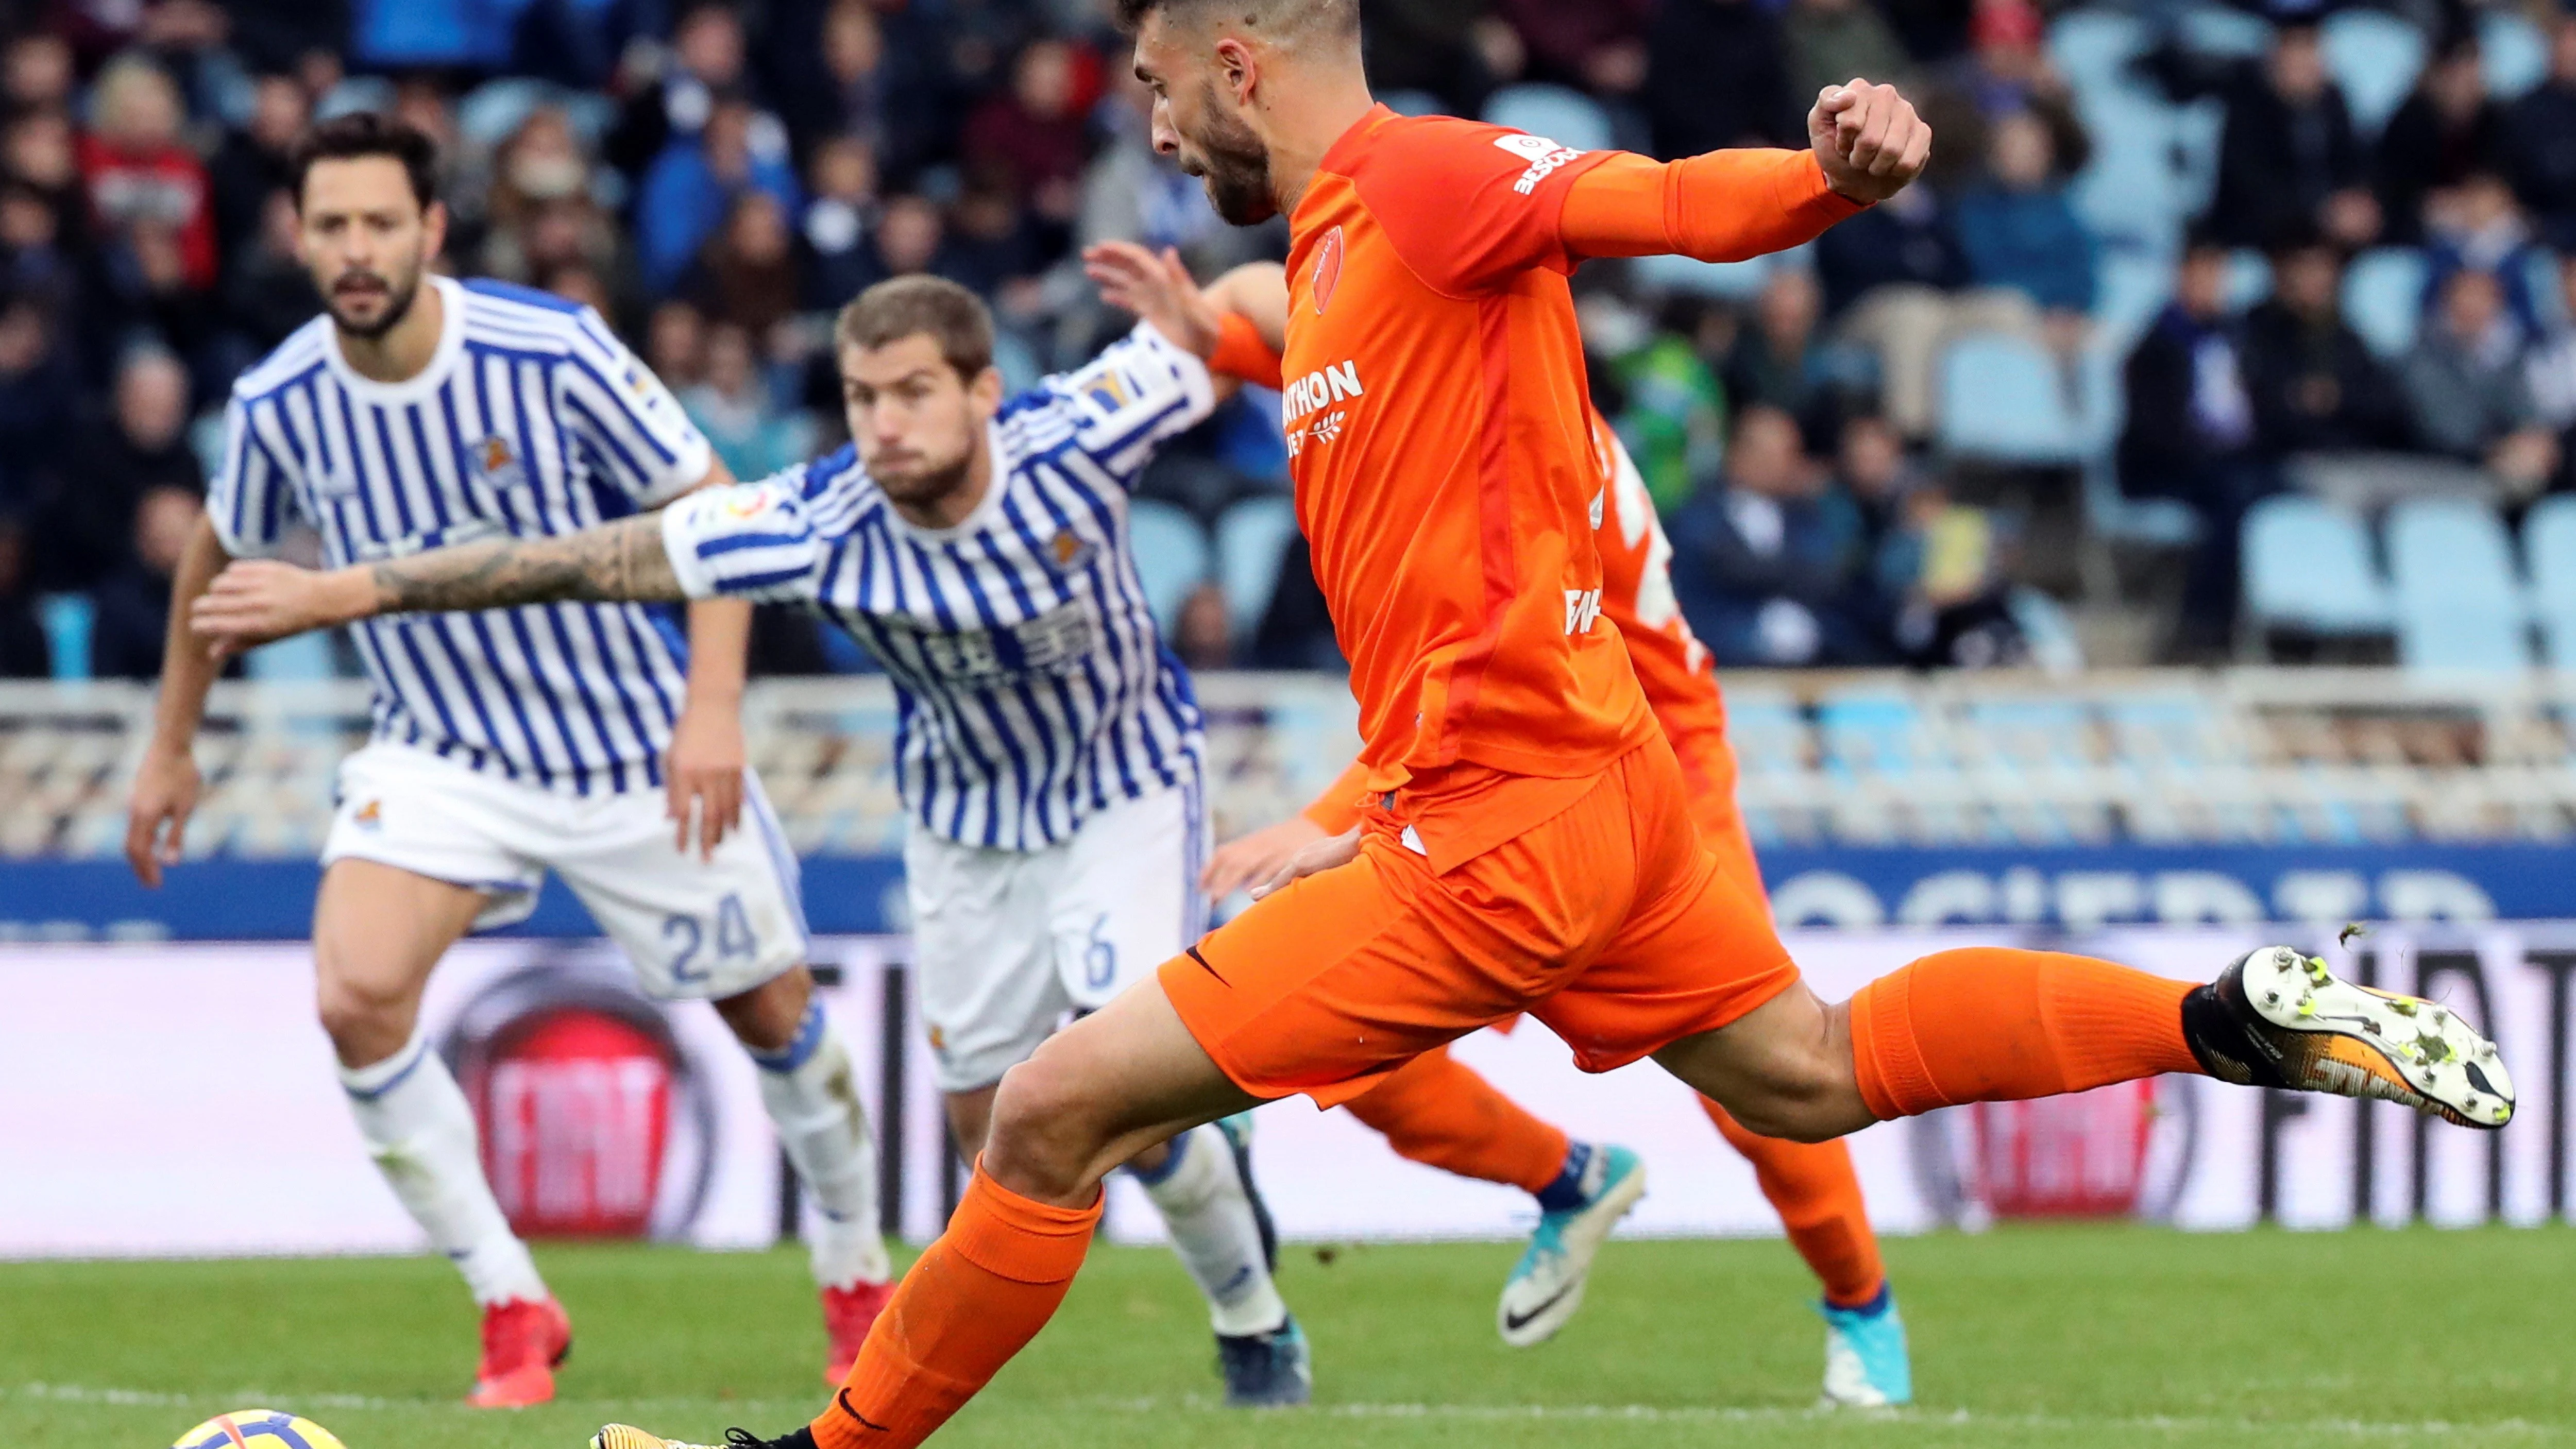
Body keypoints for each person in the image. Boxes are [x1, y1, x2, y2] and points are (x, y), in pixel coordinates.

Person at [193, 13, 2513, 1449]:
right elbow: (651, 555)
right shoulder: (1314, 269)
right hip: (1588, 800)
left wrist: (1835, 180)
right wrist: (367, 589)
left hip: (1505, 813)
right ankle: (2235, 1017)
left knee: (1058, 1100)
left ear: (1233, 66)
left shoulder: (1412, 174)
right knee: (1803, 1068)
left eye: (1139, 78)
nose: (1123, 114)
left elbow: (1645, 201)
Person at [195, 270, 1318, 1408]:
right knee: (993, 1127)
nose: (884, 421)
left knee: (1116, 1080)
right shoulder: (818, 520)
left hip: (1124, 787)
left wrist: (1234, 299)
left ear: (986, 391)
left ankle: (1251, 1319)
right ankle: (1193, 1215)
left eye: (915, 391)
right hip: (962, 820)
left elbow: (1227, 308)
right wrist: (349, 592)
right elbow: (591, 559)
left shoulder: (1081, 430)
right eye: (861, 394)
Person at [122, 112, 895, 1409]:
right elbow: (219, 550)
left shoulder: (550, 347)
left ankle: (858, 1271)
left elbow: (715, 509)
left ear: (430, 230)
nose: (355, 250)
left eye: (380, 223)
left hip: (628, 744)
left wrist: (713, 709)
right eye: (331, 226)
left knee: (774, 1017)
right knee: (355, 994)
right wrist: (169, 744)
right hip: (442, 753)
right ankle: (511, 1301)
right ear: (299, 237)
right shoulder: (281, 401)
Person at [1160, 251, 1910, 1403]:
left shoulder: (1530, 470)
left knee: (1762, 1085)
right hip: (1520, 769)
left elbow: (1484, 688)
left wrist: (1326, 817)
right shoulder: (1486, 413)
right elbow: (1306, 344)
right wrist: (1211, 332)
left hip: (1650, 775)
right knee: (1345, 1049)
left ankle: (1862, 1309)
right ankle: (1567, 1177)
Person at [2117, 236, 2269, 659]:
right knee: (2233, 498)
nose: (2212, 287)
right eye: (2202, 276)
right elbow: (2155, 432)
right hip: (2167, 467)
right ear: (2181, 278)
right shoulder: (2155, 346)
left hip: (2228, 461)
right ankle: (2200, 624)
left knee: (2279, 486)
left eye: (2218, 277)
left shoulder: (2235, 339)